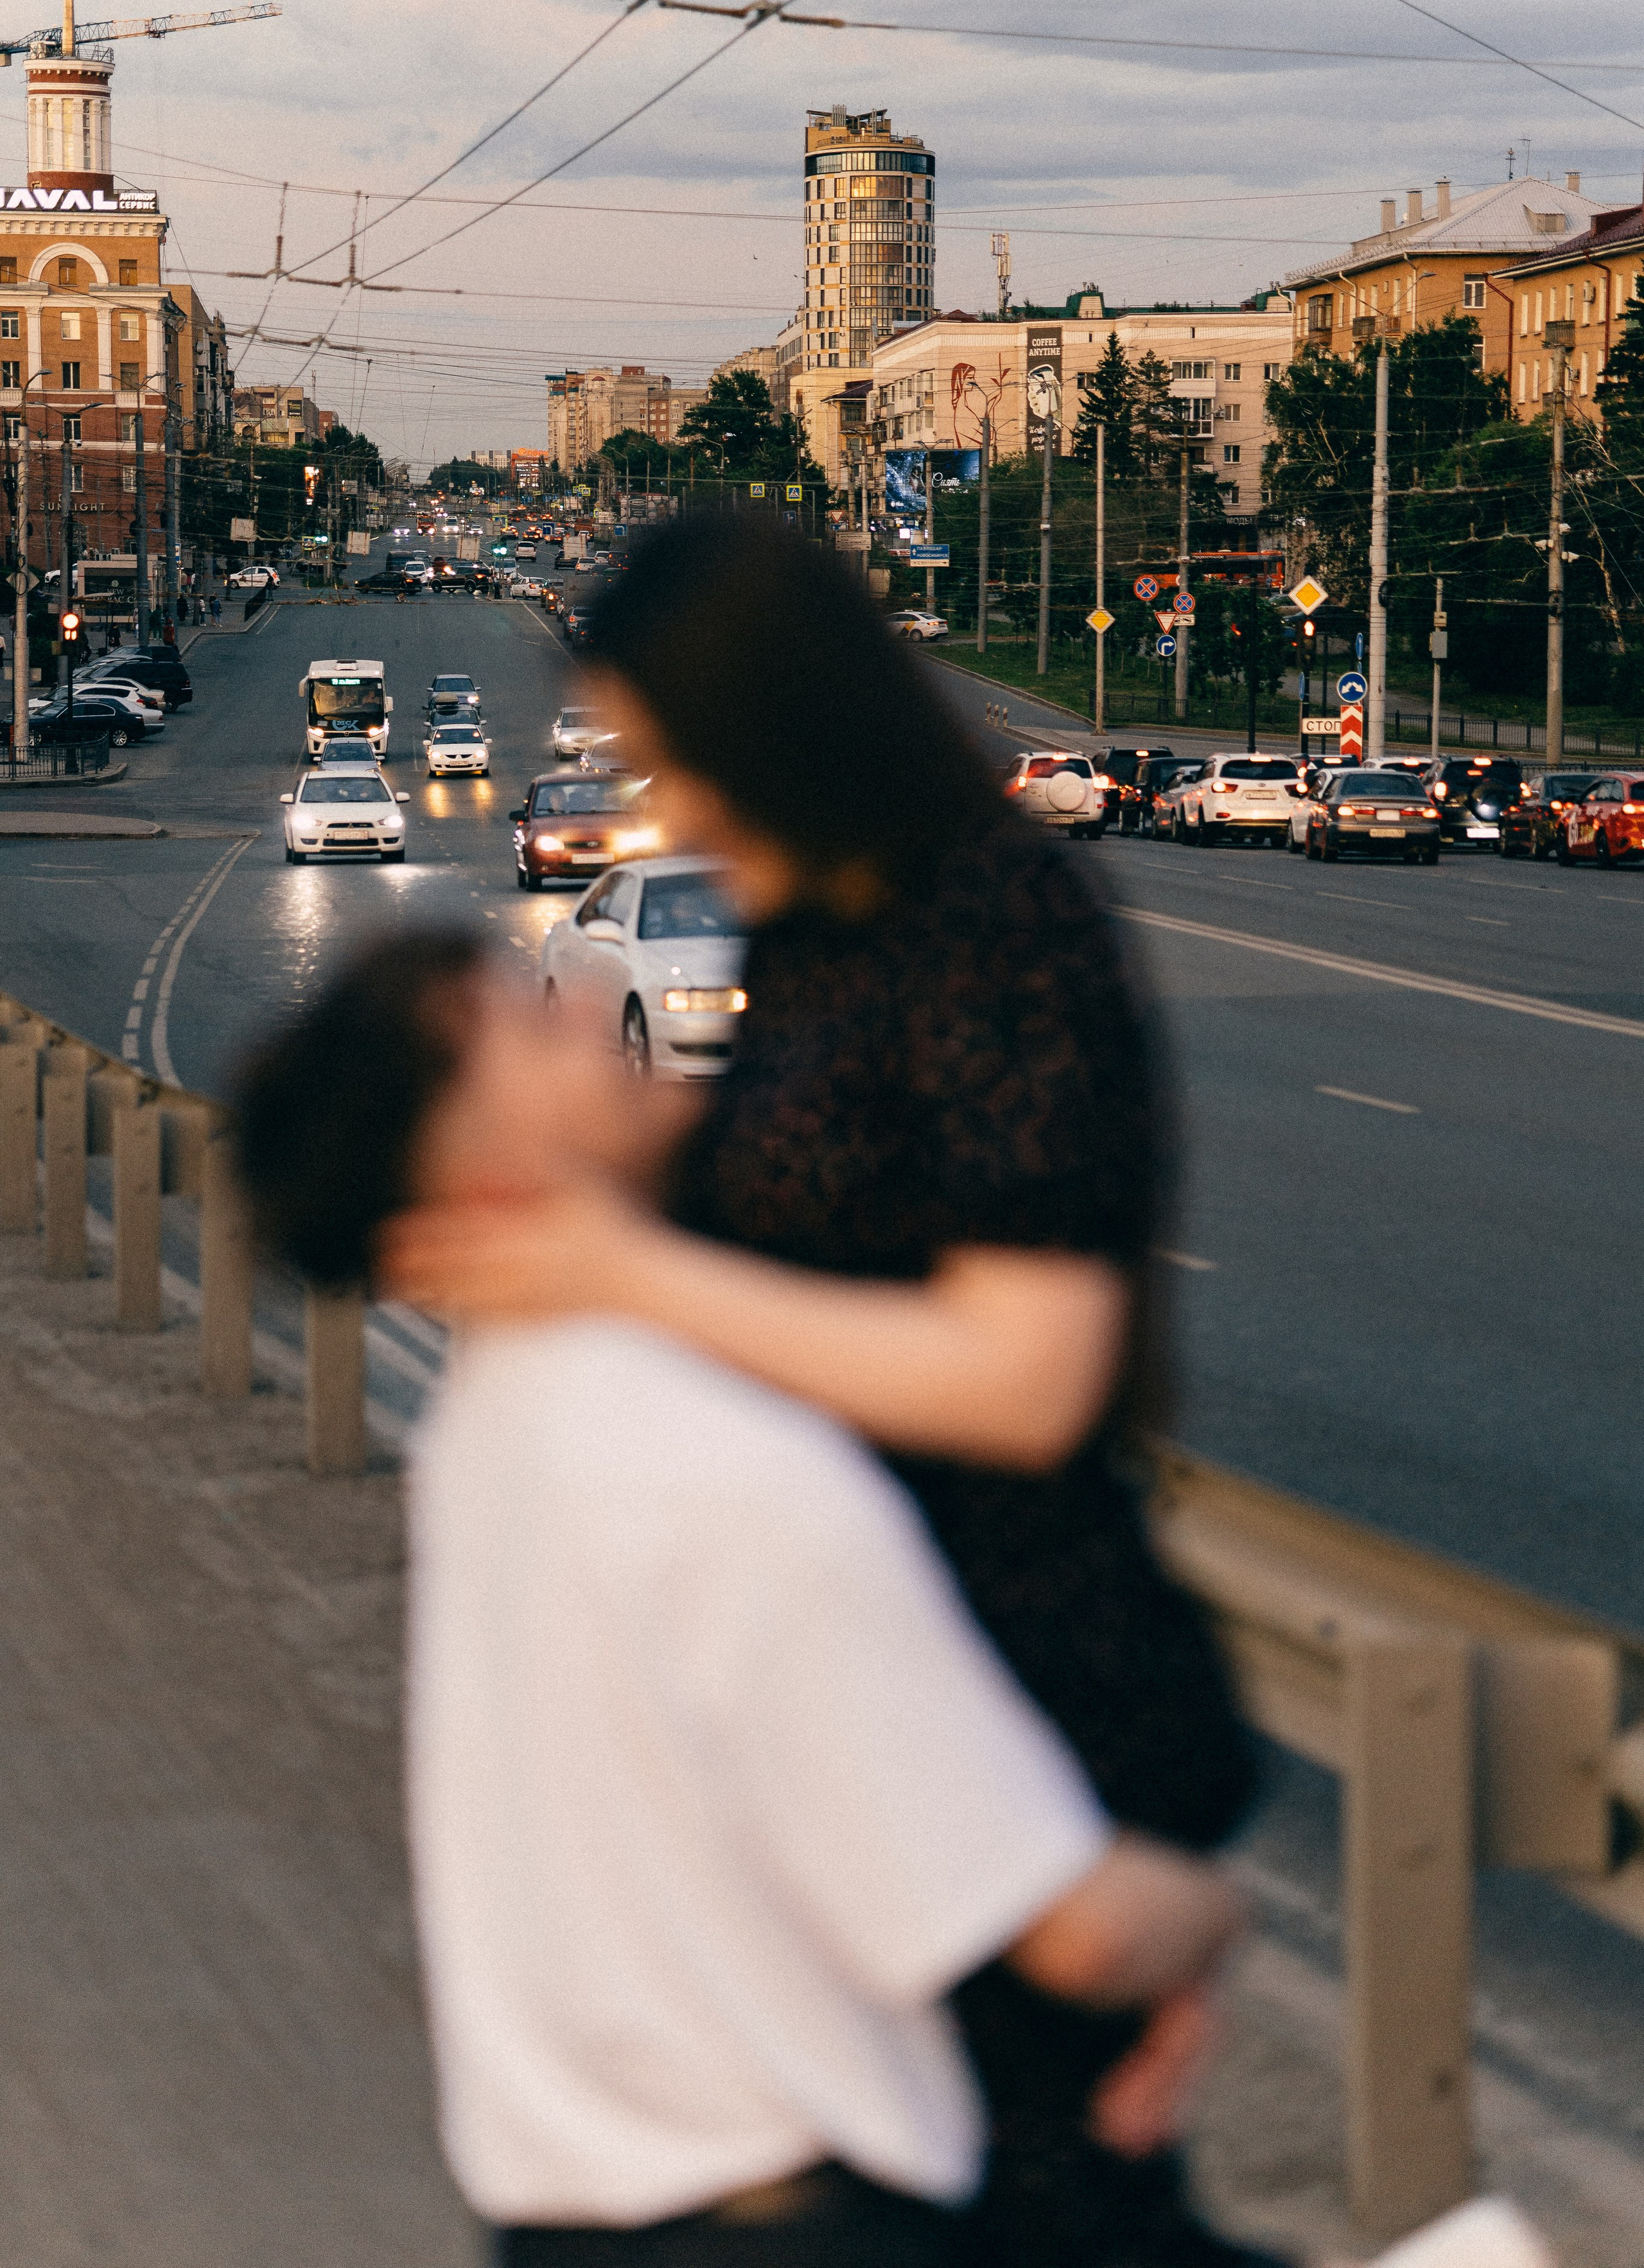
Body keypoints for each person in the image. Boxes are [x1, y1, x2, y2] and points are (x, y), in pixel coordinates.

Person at [382, 518, 1269, 2268]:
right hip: (885, 1709)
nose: (666, 802)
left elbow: (1030, 1379)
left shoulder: (996, 921)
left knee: (1028, 2212)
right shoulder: (802, 934)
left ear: (782, 717)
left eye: (677, 755)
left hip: (1025, 1694)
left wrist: (619, 1270)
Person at [231, 932, 1245, 2266]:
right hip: (799, 2233)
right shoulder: (722, 1467)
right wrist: (1214, 1918)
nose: (592, 1002)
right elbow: (1072, 1929)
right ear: (491, 1185)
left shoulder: (482, 1442)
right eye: (534, 1024)